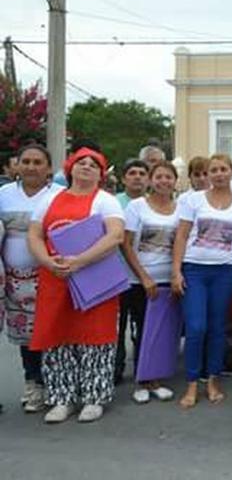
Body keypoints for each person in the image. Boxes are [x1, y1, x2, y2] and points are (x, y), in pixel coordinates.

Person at [27, 147, 125, 423]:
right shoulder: (49, 199)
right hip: (55, 277)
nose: (86, 167)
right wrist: (48, 262)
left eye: (93, 164)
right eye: (81, 162)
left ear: (100, 174)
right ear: (70, 168)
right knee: (57, 337)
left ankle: (94, 397)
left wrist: (80, 261)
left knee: (95, 338)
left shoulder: (106, 200)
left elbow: (115, 236)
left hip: (94, 278)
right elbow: (34, 235)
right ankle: (61, 398)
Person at [171, 153, 232, 408]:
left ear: (231, 172)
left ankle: (213, 380)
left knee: (218, 328)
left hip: (224, 272)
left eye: (223, 169)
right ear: (207, 174)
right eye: (213, 170)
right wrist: (176, 271)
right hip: (194, 270)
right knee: (196, 328)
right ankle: (193, 382)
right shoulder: (193, 200)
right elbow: (182, 236)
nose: (218, 174)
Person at [0, 144, 63, 413]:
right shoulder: (3, 194)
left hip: (51, 276)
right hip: (14, 279)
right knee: (26, 336)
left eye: (38, 162)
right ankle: (33, 384)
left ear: (48, 167)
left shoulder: (59, 195)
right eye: (26, 161)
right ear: (17, 165)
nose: (31, 167)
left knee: (51, 332)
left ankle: (55, 385)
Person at [120, 161, 180, 404]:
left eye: (169, 177)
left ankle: (157, 378)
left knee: (163, 331)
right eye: (159, 176)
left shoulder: (181, 208)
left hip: (169, 279)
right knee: (142, 330)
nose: (164, 181)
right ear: (151, 180)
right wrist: (144, 277)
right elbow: (125, 244)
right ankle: (142, 380)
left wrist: (177, 274)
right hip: (139, 280)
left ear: (175, 181)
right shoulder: (137, 207)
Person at [114, 158, 150, 384]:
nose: (137, 177)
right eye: (132, 173)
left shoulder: (153, 203)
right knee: (117, 328)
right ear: (123, 178)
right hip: (116, 276)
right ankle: (115, 369)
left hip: (143, 276)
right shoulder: (113, 202)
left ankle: (143, 369)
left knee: (143, 326)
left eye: (142, 173)